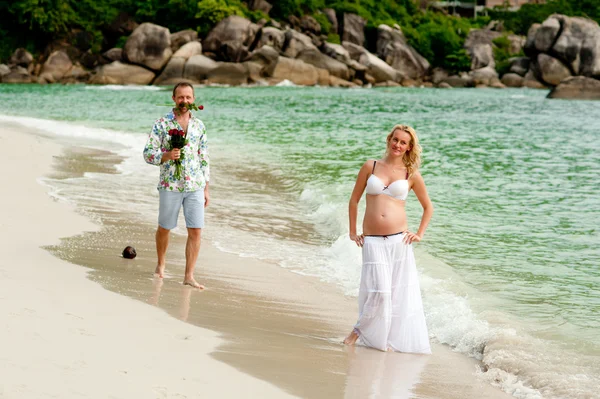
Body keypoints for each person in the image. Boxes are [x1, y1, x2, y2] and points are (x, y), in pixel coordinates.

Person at [343, 125, 432, 353]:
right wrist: (353, 231)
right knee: (380, 292)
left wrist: (419, 234)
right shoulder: (370, 166)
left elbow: (428, 207)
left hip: (398, 241)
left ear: (409, 147)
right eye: (395, 140)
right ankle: (357, 333)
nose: (397, 145)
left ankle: (382, 339)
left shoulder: (410, 175)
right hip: (372, 240)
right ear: (389, 139)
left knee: (394, 294)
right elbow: (354, 200)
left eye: (403, 142)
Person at [143, 82, 210, 289]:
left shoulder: (199, 126)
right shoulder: (162, 124)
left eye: (188, 97)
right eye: (181, 97)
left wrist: (206, 188)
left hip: (195, 186)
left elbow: (204, 157)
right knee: (165, 228)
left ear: (193, 99)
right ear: (174, 98)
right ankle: (161, 264)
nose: (185, 101)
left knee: (196, 231)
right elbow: (147, 154)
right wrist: (166, 156)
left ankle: (189, 276)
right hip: (170, 184)